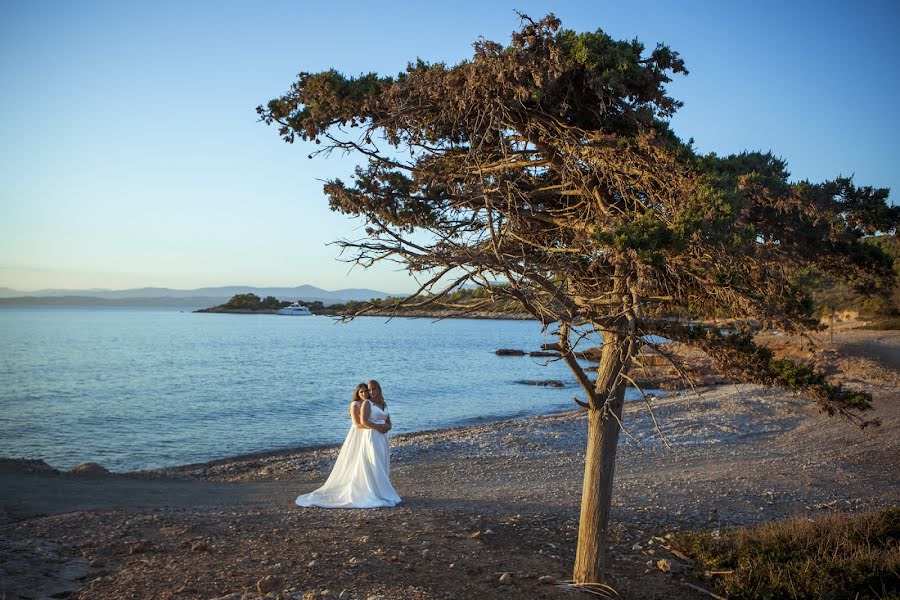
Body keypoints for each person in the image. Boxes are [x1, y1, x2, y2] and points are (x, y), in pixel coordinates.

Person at [295, 382, 401, 508]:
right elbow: (363, 422)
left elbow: (388, 421)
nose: (371, 392)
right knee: (374, 463)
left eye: (374, 389)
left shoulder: (384, 403)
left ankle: (382, 490)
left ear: (379, 389)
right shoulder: (367, 403)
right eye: (369, 390)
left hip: (382, 437)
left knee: (382, 462)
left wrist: (387, 427)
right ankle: (373, 492)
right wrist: (379, 427)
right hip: (372, 436)